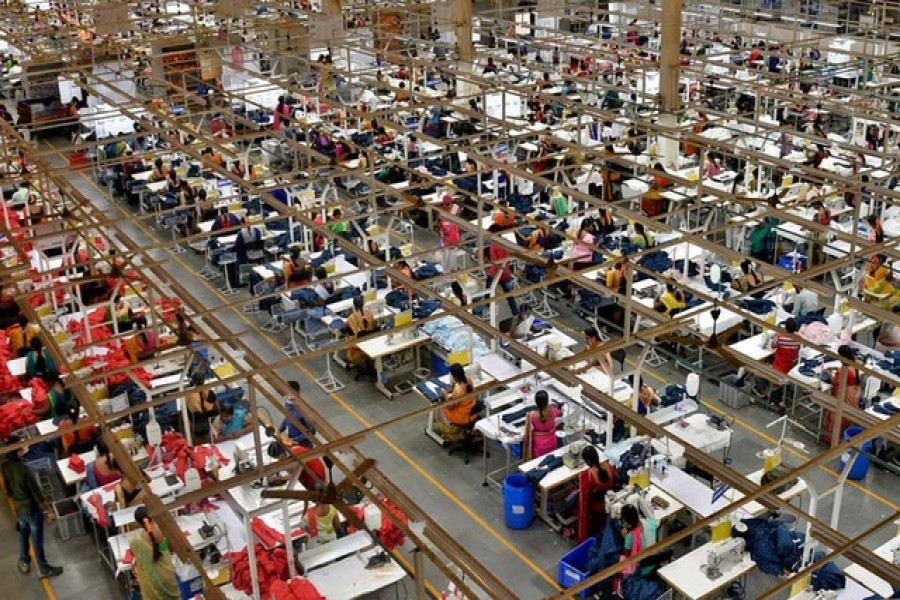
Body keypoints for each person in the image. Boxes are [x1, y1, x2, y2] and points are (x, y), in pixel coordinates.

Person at [2, 437, 63, 578]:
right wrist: (49, 511)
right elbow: (38, 494)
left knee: (24, 533)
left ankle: (24, 560)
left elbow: (8, 489)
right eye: (23, 447)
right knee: (36, 539)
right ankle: (43, 568)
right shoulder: (25, 469)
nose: (26, 448)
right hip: (31, 509)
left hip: (19, 508)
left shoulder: (5, 466)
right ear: (18, 452)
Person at [130, 506, 180, 600]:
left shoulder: (135, 541)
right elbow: (171, 549)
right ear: (152, 517)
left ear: (138, 523)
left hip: (151, 584)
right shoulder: (164, 532)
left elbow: (135, 554)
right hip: (167, 578)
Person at [821, 345, 861, 446]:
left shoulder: (844, 370)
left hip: (845, 395)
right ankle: (842, 437)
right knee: (845, 418)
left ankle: (831, 440)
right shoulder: (854, 363)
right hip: (854, 393)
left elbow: (836, 382)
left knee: (836, 416)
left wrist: (829, 374)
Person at [752, 318, 801, 399]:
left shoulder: (780, 337)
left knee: (756, 371)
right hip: (790, 369)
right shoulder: (799, 338)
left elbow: (773, 346)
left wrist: (776, 336)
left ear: (786, 327)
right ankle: (771, 385)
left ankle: (761, 392)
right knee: (769, 361)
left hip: (779, 369)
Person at [576, 445, 616, 541]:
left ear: (587, 461)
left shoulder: (588, 476)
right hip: (610, 505)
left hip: (596, 509)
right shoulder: (609, 467)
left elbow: (584, 501)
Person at [486, 225, 519, 315]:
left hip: (494, 273)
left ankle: (486, 310)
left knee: (488, 293)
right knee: (510, 297)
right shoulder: (506, 243)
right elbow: (508, 258)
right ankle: (516, 313)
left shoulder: (493, 245)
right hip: (506, 273)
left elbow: (495, 262)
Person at [344, 295, 376, 379]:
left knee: (350, 344)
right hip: (371, 340)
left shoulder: (351, 317)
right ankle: (370, 364)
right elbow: (373, 325)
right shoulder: (369, 312)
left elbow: (355, 332)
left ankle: (364, 364)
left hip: (359, 343)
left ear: (354, 305)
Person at [524, 390, 561, 460]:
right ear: (547, 401)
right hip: (552, 442)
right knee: (551, 459)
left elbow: (528, 428)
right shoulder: (553, 411)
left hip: (539, 444)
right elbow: (560, 413)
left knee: (539, 462)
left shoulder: (532, 415)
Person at [279, 381, 315, 448]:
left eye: (286, 391)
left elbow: (311, 431)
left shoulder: (304, 409)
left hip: (304, 446)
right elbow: (287, 417)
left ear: (295, 392)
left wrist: (294, 439)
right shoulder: (288, 404)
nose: (284, 393)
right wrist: (280, 429)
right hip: (293, 444)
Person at [186, 370, 218, 443]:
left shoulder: (189, 393)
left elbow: (185, 406)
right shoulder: (208, 391)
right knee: (207, 437)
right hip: (207, 417)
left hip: (196, 418)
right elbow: (216, 405)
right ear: (203, 380)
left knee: (198, 437)